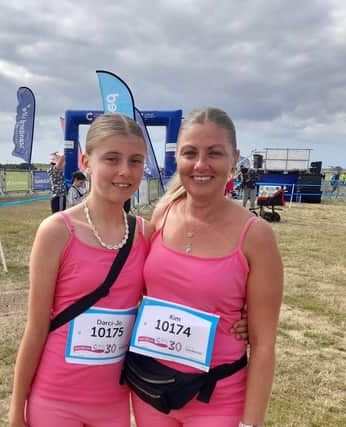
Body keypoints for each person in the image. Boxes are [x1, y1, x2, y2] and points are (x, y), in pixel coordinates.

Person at [8, 113, 250, 427]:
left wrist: (241, 319)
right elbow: (36, 327)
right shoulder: (56, 231)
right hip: (55, 400)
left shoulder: (145, 234)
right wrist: (16, 411)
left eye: (135, 161)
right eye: (112, 158)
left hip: (115, 403)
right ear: (86, 161)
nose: (125, 171)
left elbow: (173, 297)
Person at [130, 107, 283, 427]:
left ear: (234, 158)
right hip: (152, 390)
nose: (201, 164)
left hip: (218, 398)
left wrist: (250, 423)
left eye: (214, 153)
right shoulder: (163, 213)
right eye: (190, 153)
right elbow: (141, 289)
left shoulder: (256, 236)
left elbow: (265, 345)